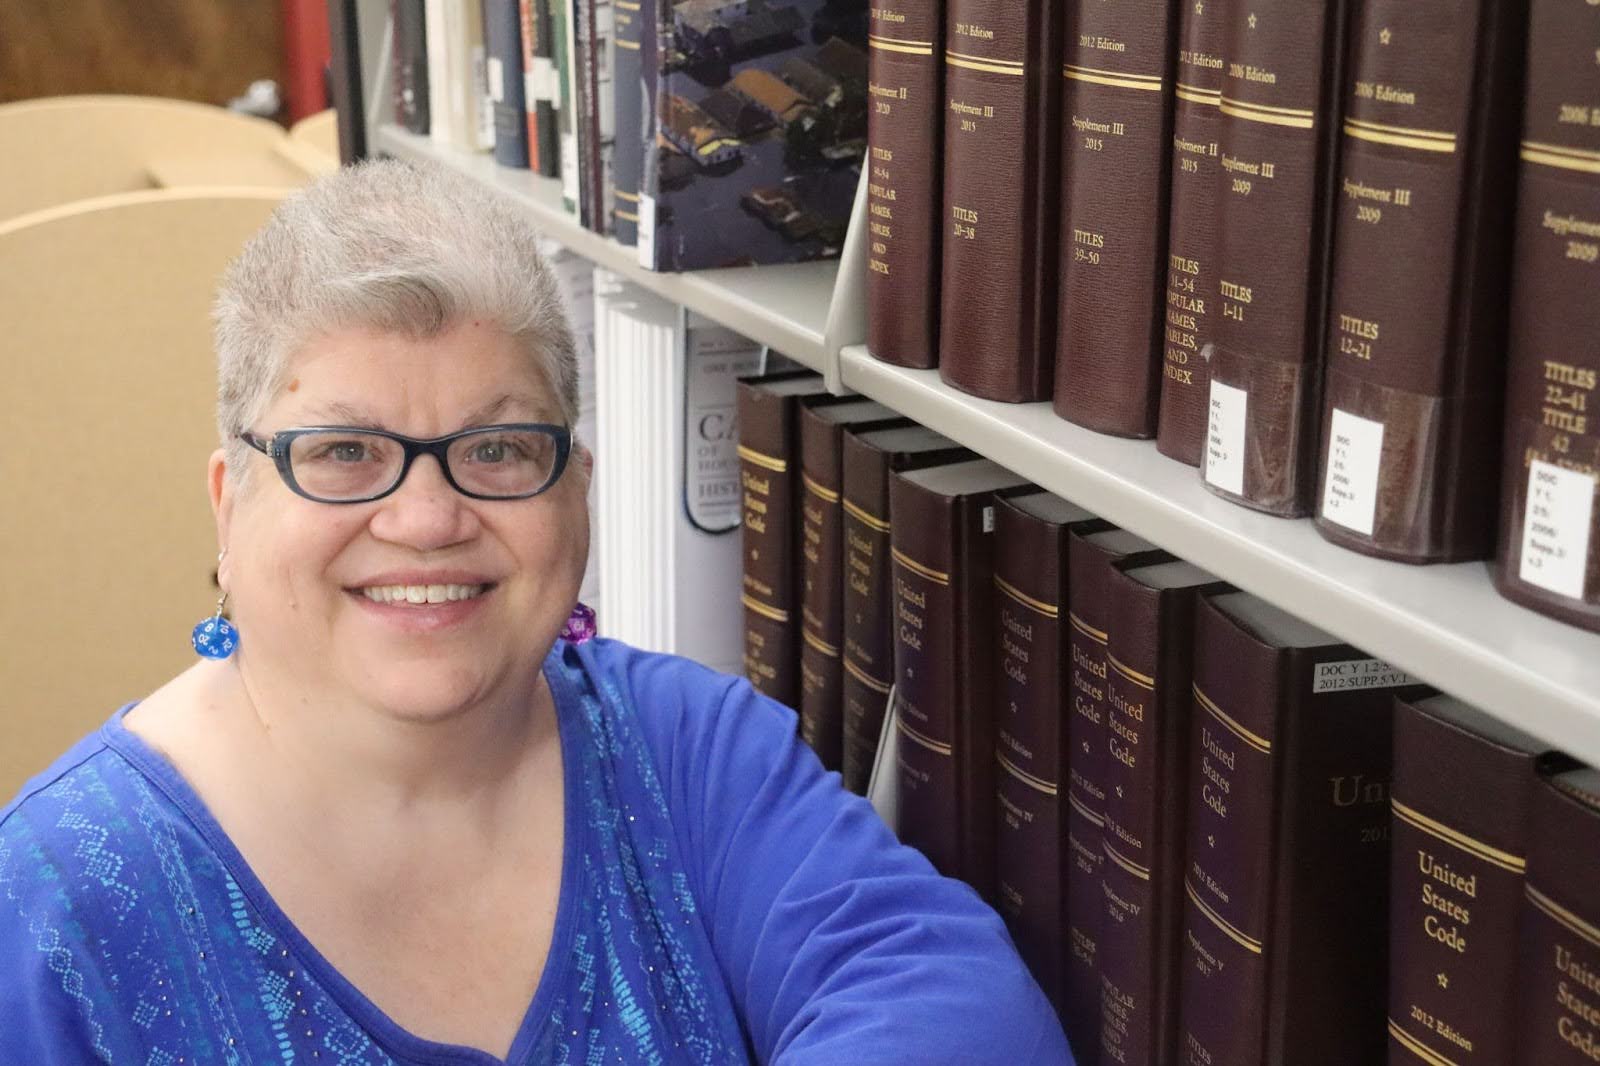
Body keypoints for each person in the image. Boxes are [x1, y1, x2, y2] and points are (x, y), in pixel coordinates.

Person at [0, 160, 1070, 1064]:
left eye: (498, 448)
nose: (426, 518)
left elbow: (953, 1003)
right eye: (342, 452)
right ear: (231, 506)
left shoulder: (690, 752)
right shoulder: (52, 906)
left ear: (576, 491)